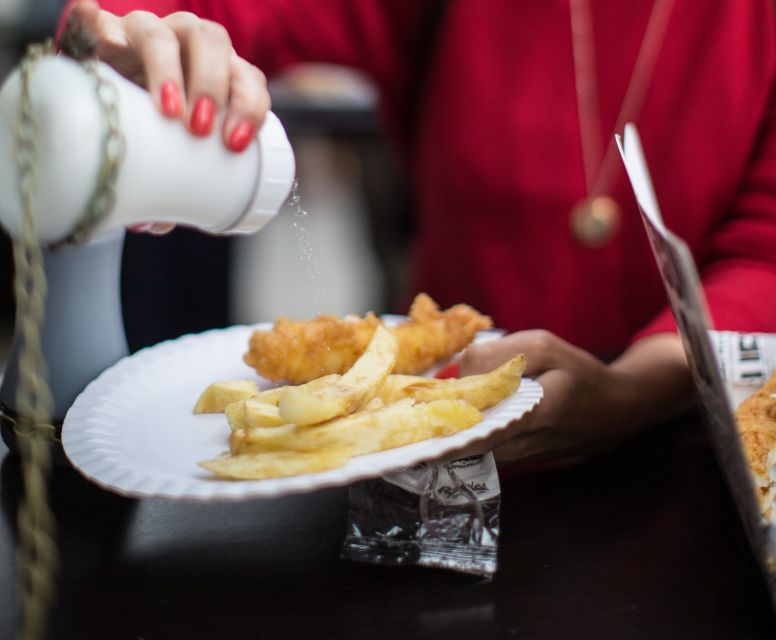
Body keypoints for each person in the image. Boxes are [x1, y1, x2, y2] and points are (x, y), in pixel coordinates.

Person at [57, 0, 776, 464]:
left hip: (699, 457)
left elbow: (764, 252)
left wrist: (632, 391)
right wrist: (134, 40)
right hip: (427, 461)